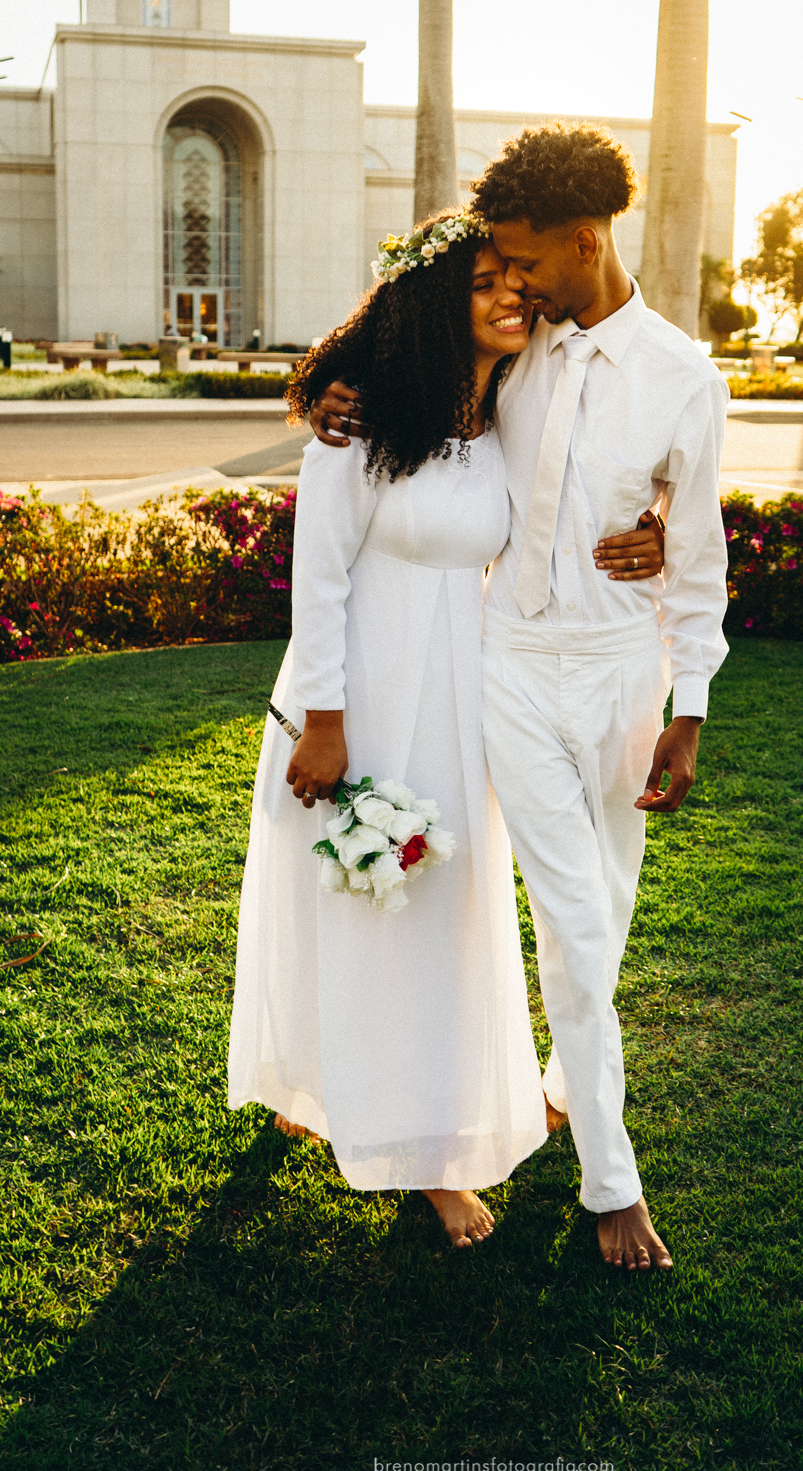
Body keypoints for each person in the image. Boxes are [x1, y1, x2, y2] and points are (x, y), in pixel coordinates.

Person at [311, 125, 730, 1272]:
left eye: (524, 259)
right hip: (506, 667)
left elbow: (696, 560)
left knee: (609, 906)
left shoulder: (684, 380)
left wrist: (687, 709)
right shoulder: (513, 347)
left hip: (622, 677)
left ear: (584, 242)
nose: (510, 281)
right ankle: (612, 1180)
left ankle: (558, 1085)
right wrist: (336, 395)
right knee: (577, 926)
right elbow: (410, 375)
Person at [228, 210, 665, 1250]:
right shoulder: (362, 418)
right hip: (363, 686)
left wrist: (654, 527)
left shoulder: (512, 407)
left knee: (437, 902)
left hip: (464, 691)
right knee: (357, 892)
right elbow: (319, 577)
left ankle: (407, 1115)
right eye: (486, 283)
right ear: (433, 303)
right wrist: (325, 725)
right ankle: (403, 1145)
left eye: (519, 280)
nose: (514, 297)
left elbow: (598, 474)